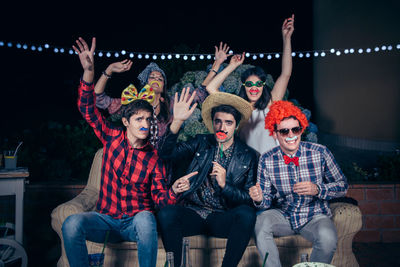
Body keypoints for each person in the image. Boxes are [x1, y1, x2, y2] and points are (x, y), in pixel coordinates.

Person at [62, 37, 197, 267]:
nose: (145, 123)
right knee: (71, 224)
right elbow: (87, 108)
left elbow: (160, 200)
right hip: (106, 220)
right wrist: (89, 72)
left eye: (147, 118)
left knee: (146, 218)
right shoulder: (112, 138)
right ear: (125, 121)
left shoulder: (153, 157)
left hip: (136, 223)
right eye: (138, 119)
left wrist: (173, 190)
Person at [156, 89, 259, 267]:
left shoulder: (248, 156)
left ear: (236, 126)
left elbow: (248, 200)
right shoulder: (201, 142)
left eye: (228, 123)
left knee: (247, 214)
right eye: (218, 121)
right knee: (166, 213)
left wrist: (225, 185)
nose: (222, 127)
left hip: (223, 216)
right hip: (194, 212)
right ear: (212, 123)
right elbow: (166, 154)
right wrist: (177, 121)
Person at [249, 100, 348, 266]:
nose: (291, 135)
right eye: (284, 131)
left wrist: (317, 189)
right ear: (274, 134)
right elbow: (265, 202)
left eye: (295, 129)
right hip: (283, 215)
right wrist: (259, 198)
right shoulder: (267, 159)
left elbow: (342, 186)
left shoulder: (320, 152)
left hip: (315, 215)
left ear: (302, 129)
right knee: (260, 222)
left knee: (328, 238)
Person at [94, 42, 233, 149]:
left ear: (163, 88)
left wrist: (217, 63)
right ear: (144, 84)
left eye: (160, 79)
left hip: (161, 165)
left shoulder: (171, 104)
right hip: (135, 164)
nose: (156, 79)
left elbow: (200, 92)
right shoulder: (133, 103)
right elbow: (99, 99)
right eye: (152, 77)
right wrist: (109, 70)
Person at [205, 15, 295, 155]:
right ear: (243, 85)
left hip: (271, 163)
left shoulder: (271, 103)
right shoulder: (236, 107)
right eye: (249, 84)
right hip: (246, 166)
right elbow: (210, 88)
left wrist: (286, 38)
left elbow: (286, 73)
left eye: (258, 84)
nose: (254, 88)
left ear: (263, 86)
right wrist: (232, 65)